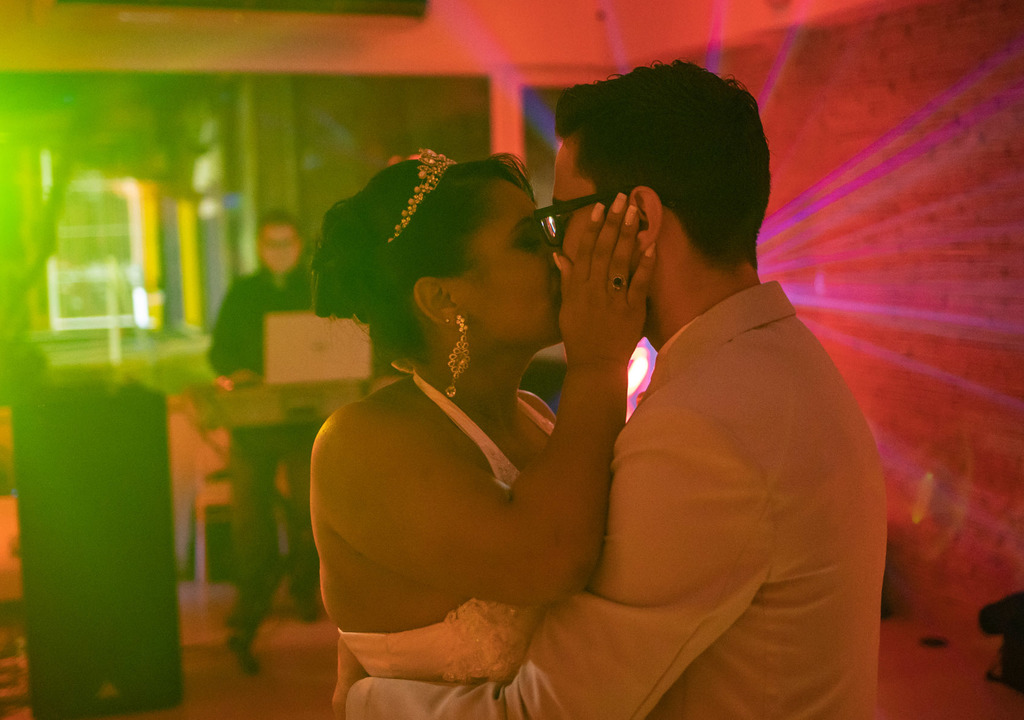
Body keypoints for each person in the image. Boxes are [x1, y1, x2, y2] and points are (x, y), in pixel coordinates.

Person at [343, 61, 888, 718]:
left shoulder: (699, 429)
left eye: (562, 216)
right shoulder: (780, 358)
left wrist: (366, 700)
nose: (560, 253)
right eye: (534, 236)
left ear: (640, 221)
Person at [311, 151, 653, 696]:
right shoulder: (360, 444)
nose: (559, 255)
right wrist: (598, 362)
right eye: (529, 242)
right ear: (442, 297)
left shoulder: (534, 415)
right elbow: (550, 558)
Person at [207, 209, 321, 674]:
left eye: (286, 243)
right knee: (250, 517)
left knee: (310, 511)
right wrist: (237, 373)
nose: (279, 252)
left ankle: (306, 590)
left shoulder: (313, 290)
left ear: (299, 246)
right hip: (254, 422)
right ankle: (252, 596)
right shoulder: (242, 293)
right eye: (271, 244)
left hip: (304, 420)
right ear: (258, 247)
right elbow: (218, 352)